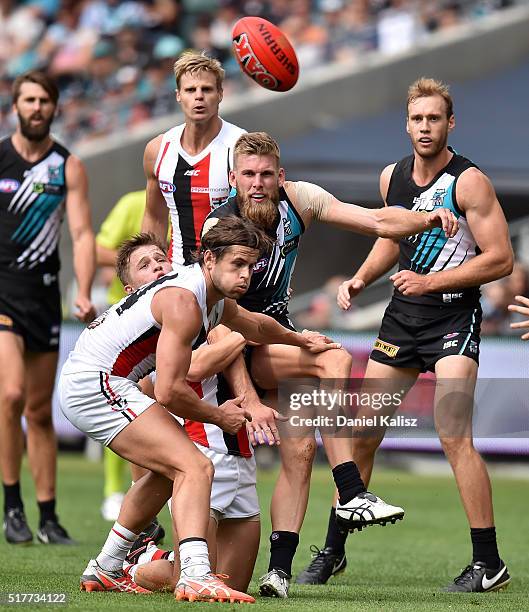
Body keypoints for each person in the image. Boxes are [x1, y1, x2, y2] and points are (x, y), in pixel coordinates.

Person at [202, 131, 459, 597]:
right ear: (232, 178)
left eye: (266, 174)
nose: (258, 184)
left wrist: (426, 218)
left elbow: (377, 219)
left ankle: (277, 573)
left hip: (276, 342)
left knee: (299, 455)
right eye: (248, 175)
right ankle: (351, 489)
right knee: (334, 358)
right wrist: (247, 393)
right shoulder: (220, 229)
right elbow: (221, 325)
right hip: (234, 353)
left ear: (280, 177)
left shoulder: (299, 200)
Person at [301, 77, 513, 593]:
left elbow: (501, 259)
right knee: (363, 435)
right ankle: (333, 551)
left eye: (434, 119)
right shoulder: (390, 177)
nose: (425, 127)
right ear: (407, 123)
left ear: (450, 123)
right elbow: (390, 241)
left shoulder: (469, 183)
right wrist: (360, 277)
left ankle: (489, 563)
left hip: (452, 318)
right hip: (402, 319)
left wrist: (431, 281)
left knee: (452, 434)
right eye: (417, 119)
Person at [59, 217, 339, 602]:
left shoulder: (210, 297)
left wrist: (299, 338)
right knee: (195, 465)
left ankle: (107, 567)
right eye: (237, 264)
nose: (247, 275)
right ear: (208, 259)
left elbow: (255, 325)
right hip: (95, 383)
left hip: (94, 380)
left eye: (251, 265)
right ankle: (194, 574)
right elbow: (170, 391)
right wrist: (220, 415)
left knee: (168, 469)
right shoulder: (184, 301)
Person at [106, 235, 262, 594]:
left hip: (240, 451)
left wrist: (296, 340)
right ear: (131, 292)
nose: (159, 266)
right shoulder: (154, 328)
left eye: (161, 259)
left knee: (236, 583)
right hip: (202, 449)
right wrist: (240, 337)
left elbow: (239, 331)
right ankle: (133, 568)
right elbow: (192, 369)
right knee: (186, 578)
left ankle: (140, 557)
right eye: (145, 265)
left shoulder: (201, 305)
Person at [0, 70, 96, 545]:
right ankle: (11, 506)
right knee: (11, 395)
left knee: (39, 411)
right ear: (15, 105)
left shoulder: (67, 166)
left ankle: (48, 516)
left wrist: (82, 290)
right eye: (29, 99)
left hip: (43, 296)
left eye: (44, 101)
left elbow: (80, 233)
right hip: (1, 292)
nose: (36, 107)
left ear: (55, 107)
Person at [95, 188, 170, 524]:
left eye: (160, 259)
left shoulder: (196, 207)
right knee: (137, 401)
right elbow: (99, 248)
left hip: (168, 317)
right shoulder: (130, 203)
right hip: (131, 327)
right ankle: (120, 493)